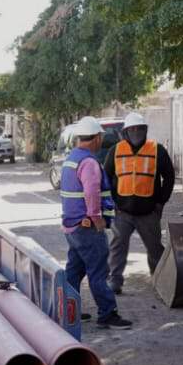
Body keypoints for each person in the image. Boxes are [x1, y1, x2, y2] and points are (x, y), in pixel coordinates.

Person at [59, 116, 131, 329]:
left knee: (74, 270)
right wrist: (97, 219)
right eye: (101, 136)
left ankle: (68, 311)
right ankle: (107, 314)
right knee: (99, 271)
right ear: (97, 138)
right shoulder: (89, 162)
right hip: (87, 227)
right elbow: (91, 192)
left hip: (72, 226)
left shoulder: (71, 158)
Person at [105, 111, 174, 293]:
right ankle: (115, 281)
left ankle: (159, 280)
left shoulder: (157, 150)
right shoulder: (116, 151)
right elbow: (106, 177)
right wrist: (113, 202)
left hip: (149, 212)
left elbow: (169, 176)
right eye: (132, 129)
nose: (136, 132)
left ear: (145, 130)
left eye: (139, 129)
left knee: (155, 249)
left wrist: (161, 203)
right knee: (118, 246)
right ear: (125, 132)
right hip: (123, 213)